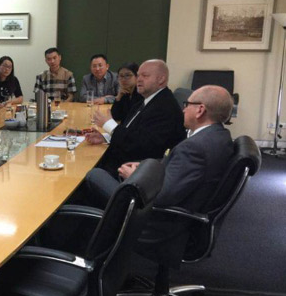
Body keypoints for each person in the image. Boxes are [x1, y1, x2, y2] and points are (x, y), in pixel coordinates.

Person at [86, 86, 235, 265]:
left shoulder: (195, 148)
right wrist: (144, 167)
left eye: (187, 104)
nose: (183, 109)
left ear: (200, 110)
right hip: (181, 214)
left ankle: (91, 251)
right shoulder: (219, 136)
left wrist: (136, 177)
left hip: (159, 222)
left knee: (94, 175)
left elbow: (162, 197)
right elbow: (176, 168)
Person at [85, 59, 186, 175]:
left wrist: (109, 125)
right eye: (138, 75)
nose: (139, 79)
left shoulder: (164, 107)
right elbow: (132, 132)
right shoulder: (148, 100)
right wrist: (106, 137)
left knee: (86, 173)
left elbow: (141, 146)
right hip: (120, 159)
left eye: (145, 76)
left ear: (161, 79)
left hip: (131, 170)